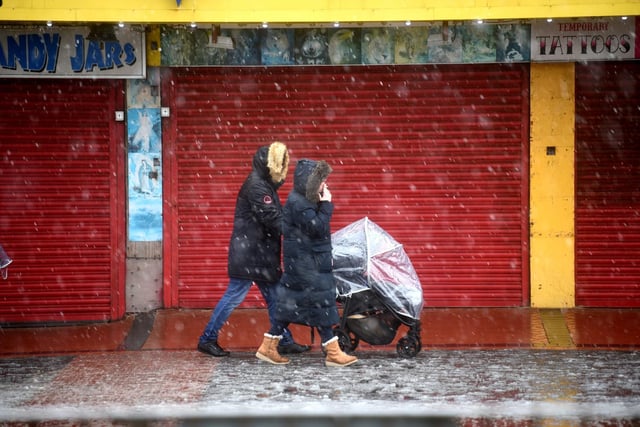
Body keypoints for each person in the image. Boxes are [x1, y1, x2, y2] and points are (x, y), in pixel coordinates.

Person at [198, 142, 310, 357]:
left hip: (260, 255)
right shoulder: (257, 186)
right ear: (268, 165)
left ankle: (283, 340)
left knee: (276, 299)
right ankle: (207, 339)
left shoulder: (264, 184)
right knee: (234, 296)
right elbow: (271, 217)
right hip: (250, 255)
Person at [255, 159, 358, 367]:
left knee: (293, 307)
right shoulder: (299, 202)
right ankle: (333, 352)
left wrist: (321, 202)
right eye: (322, 181)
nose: (325, 185)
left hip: (307, 263)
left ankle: (268, 346)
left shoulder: (303, 200)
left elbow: (311, 227)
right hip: (307, 266)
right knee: (321, 305)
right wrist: (327, 204)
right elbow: (316, 227)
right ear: (310, 182)